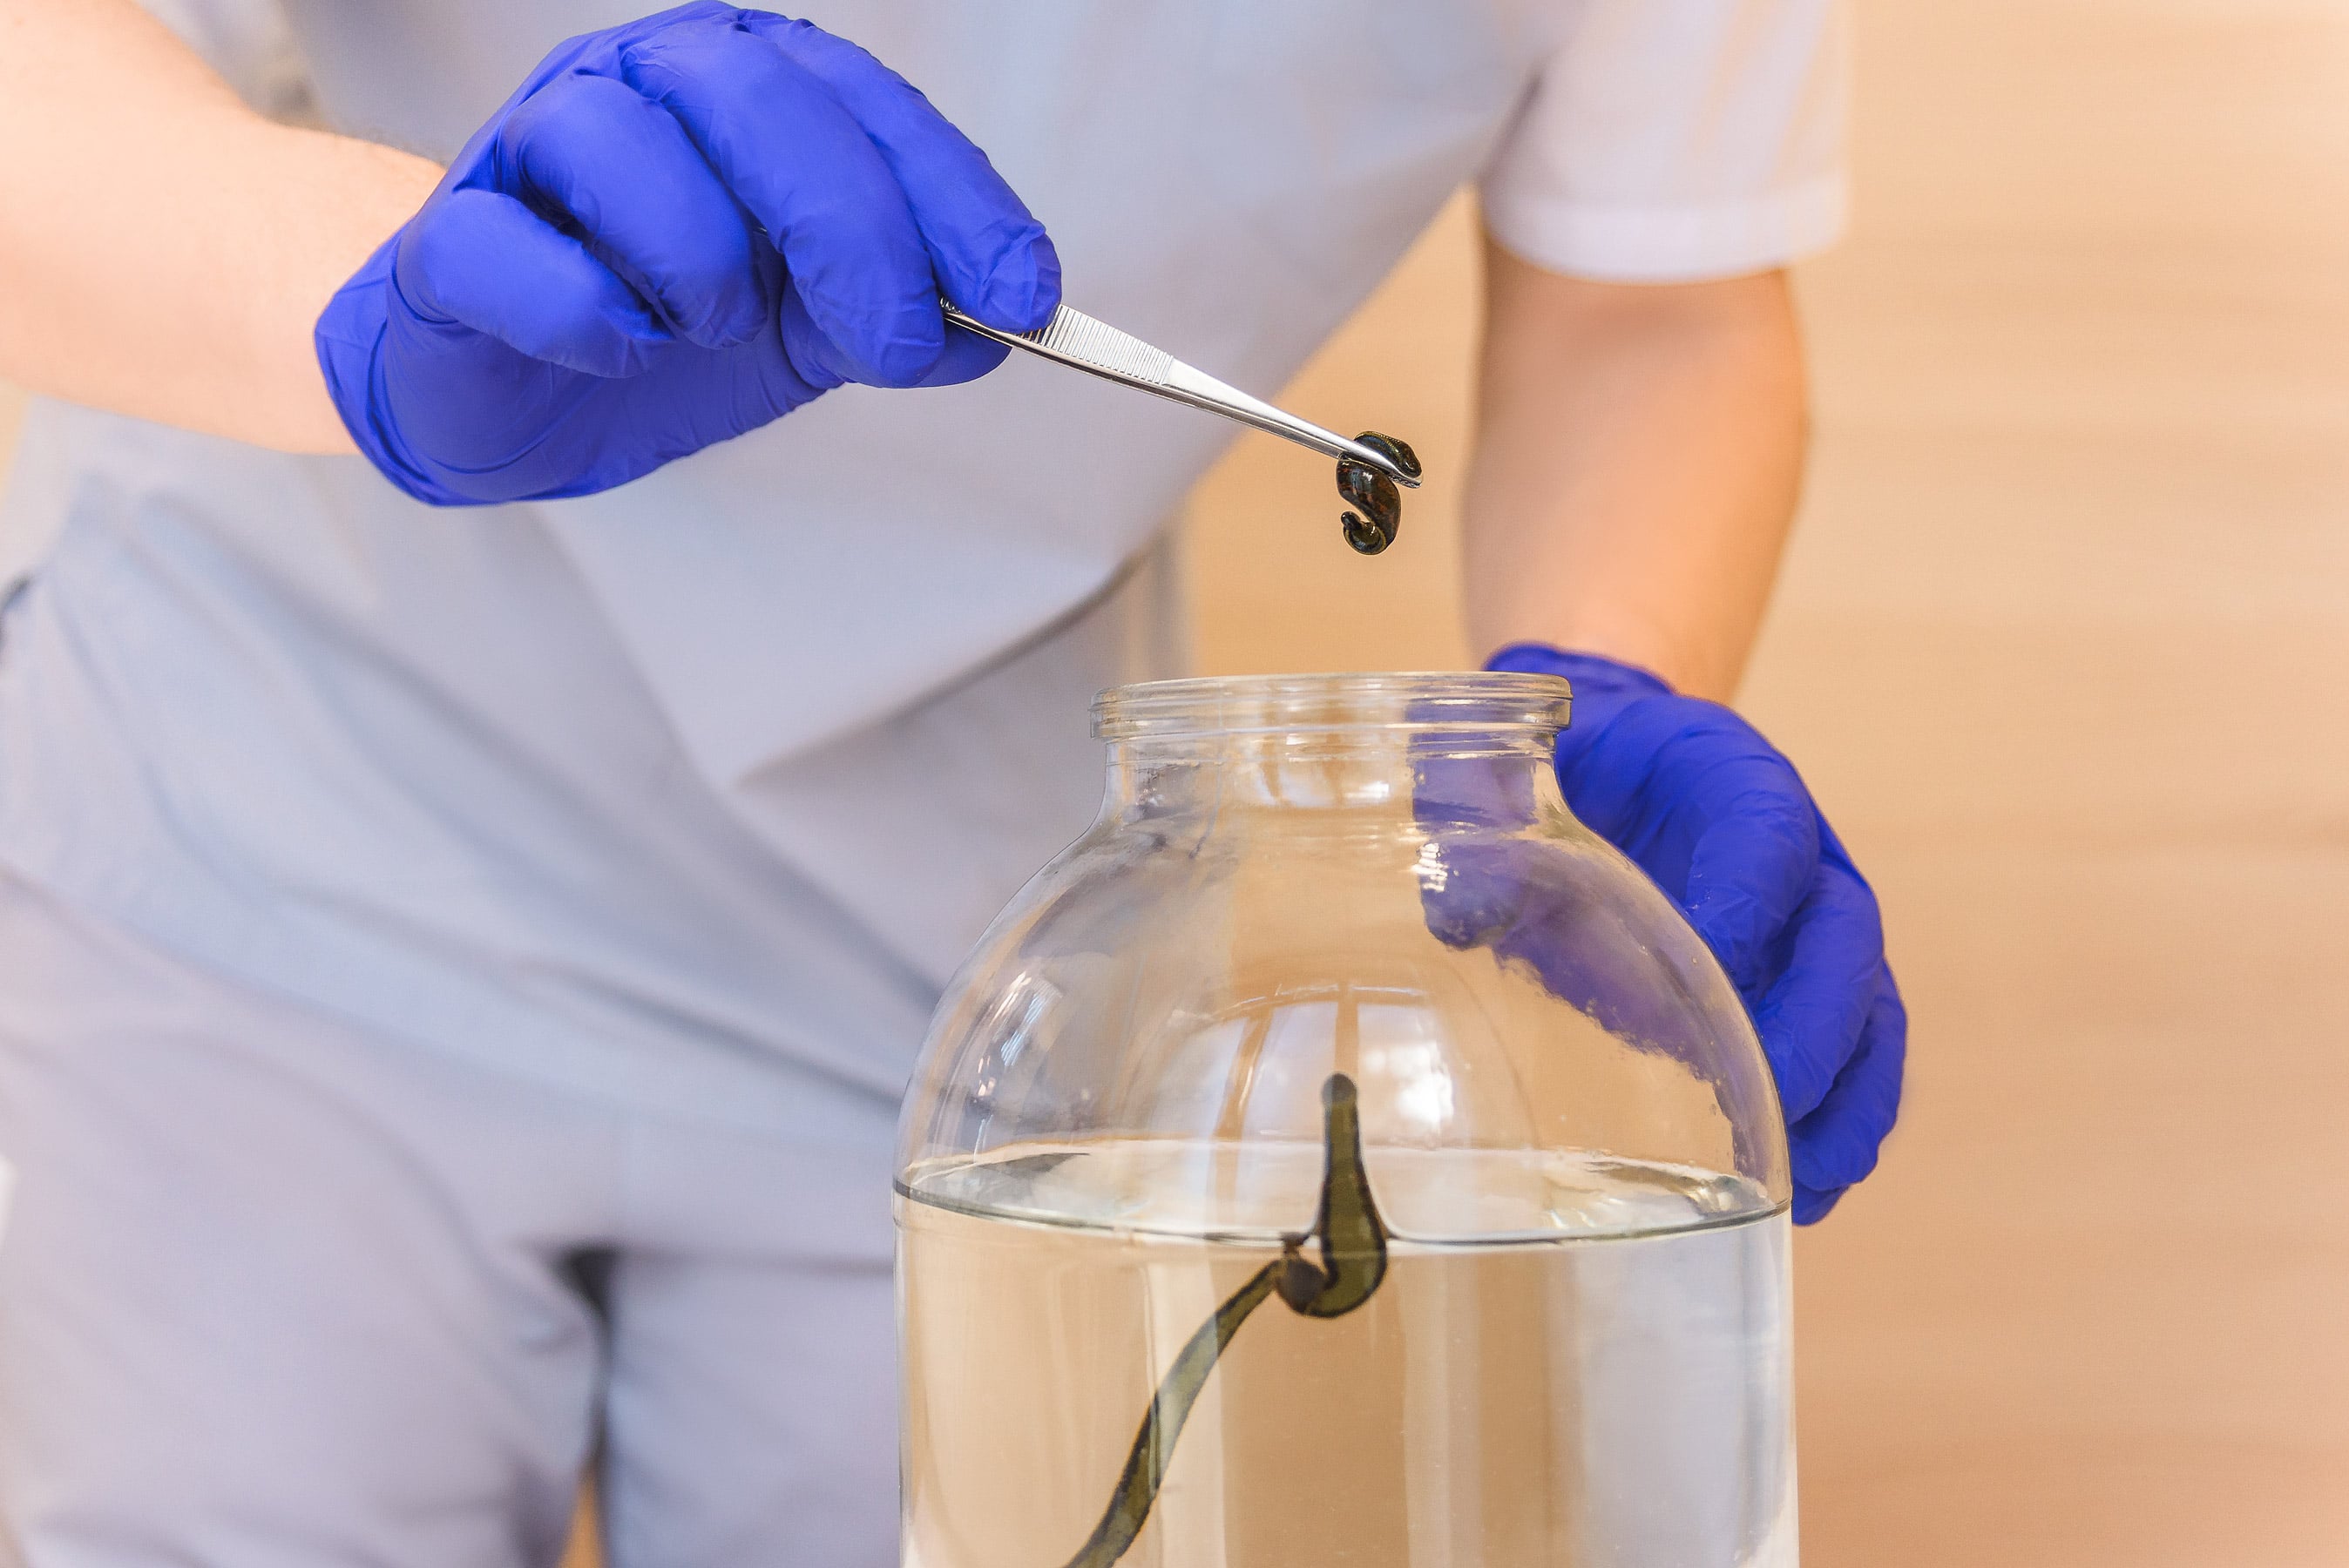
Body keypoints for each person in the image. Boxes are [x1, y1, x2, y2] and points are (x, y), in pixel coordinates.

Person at [0, 0, 1904, 1561]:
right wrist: (383, 298)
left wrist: (1596, 699)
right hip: (261, 808)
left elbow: (1649, 286)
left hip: (962, 967)